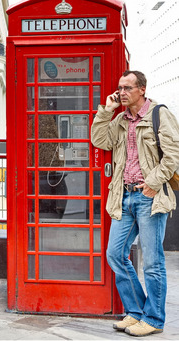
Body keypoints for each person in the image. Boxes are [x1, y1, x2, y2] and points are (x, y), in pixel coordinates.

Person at [91, 70, 179, 337]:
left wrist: (153, 182)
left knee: (153, 263)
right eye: (120, 88)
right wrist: (106, 110)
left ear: (142, 89)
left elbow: (173, 155)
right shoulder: (119, 120)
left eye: (127, 88)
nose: (122, 93)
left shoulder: (159, 114)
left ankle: (154, 319)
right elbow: (99, 140)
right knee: (115, 255)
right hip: (123, 196)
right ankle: (136, 312)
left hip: (149, 197)